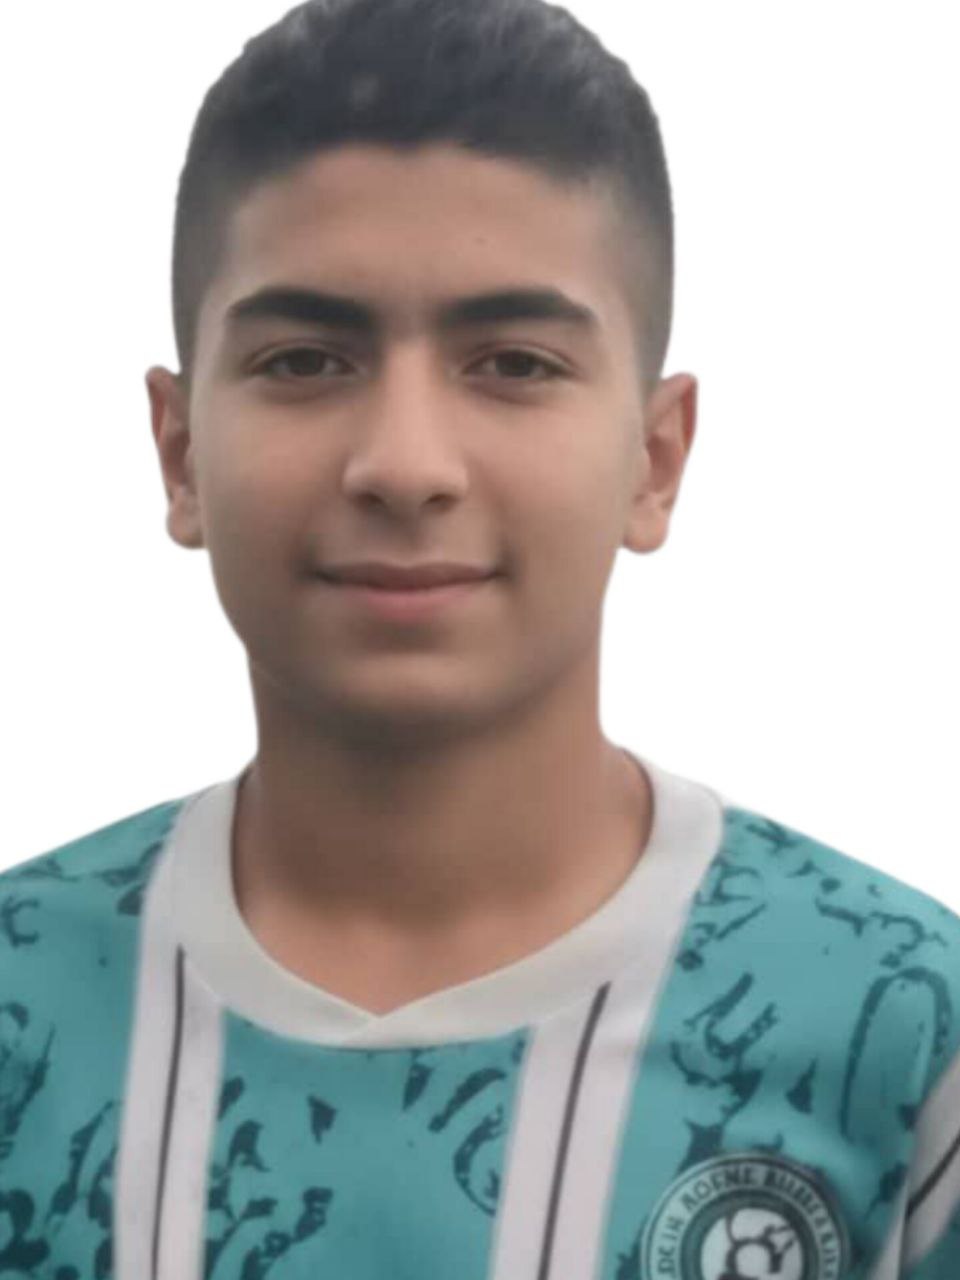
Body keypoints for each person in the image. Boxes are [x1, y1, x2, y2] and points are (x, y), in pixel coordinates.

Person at [1, 0, 957, 1274]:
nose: (406, 464)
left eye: (513, 362)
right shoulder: (21, 1008)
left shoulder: (909, 1041)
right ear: (180, 454)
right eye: (304, 360)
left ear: (655, 459)